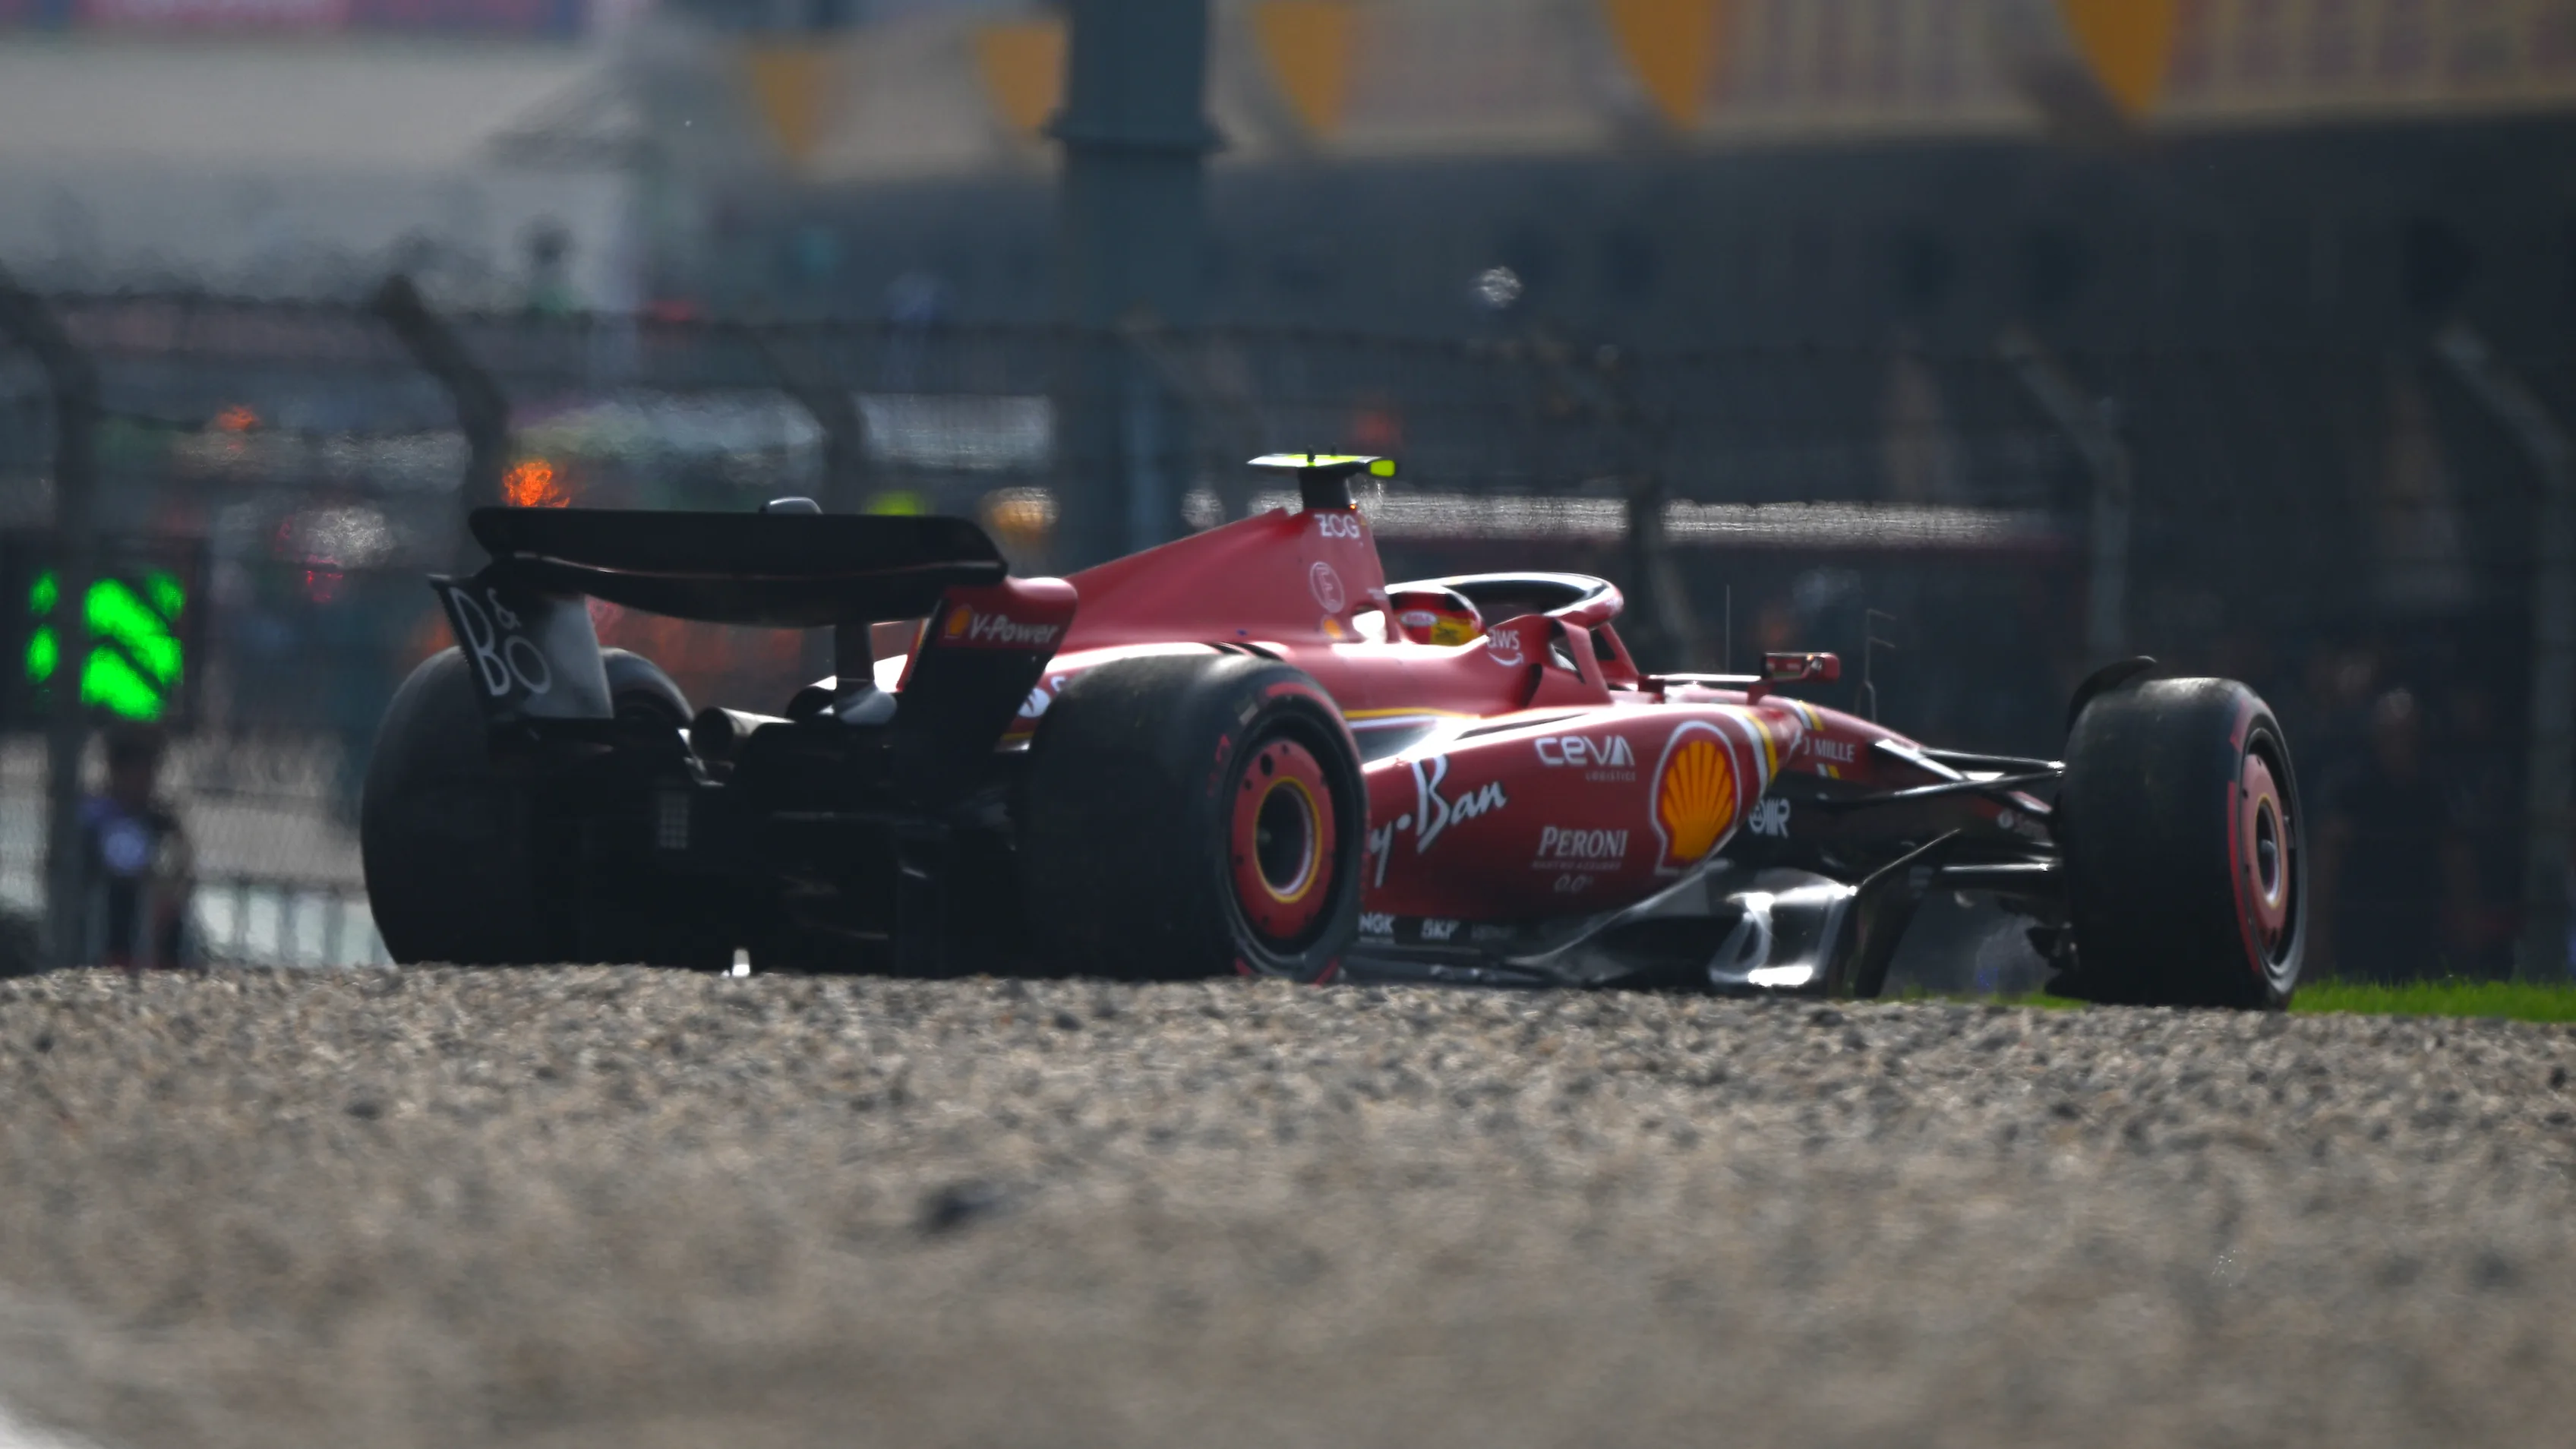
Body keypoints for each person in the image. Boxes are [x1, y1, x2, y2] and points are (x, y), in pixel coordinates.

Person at [2312, 690, 2473, 983]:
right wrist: (2321, 927)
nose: (2399, 745)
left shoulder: (2435, 792)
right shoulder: (2352, 790)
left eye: (2407, 735)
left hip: (2419, 923)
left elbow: (2455, 856)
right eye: (2390, 735)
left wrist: (2463, 919)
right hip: (2362, 923)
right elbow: (2328, 856)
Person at [78, 722, 195, 971]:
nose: (145, 781)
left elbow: (180, 861)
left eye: (151, 772)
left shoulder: (160, 820)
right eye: (137, 771)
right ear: (116, 771)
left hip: (152, 937)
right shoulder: (94, 815)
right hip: (103, 930)